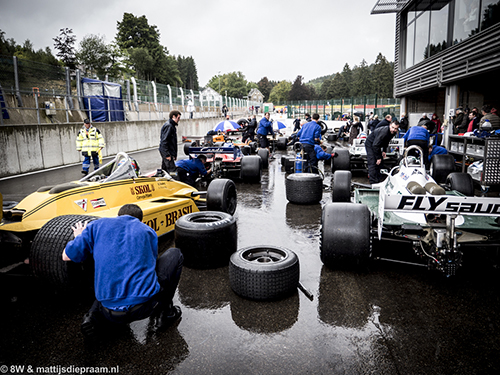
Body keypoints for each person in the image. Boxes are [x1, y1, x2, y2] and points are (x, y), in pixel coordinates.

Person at [62, 204, 183, 338]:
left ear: (118, 216)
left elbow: (66, 256)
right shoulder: (147, 231)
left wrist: (79, 236)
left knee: (93, 255)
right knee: (175, 254)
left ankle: (93, 316)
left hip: (108, 311)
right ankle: (165, 314)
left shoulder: (97, 226)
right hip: (145, 307)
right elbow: (151, 265)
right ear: (139, 220)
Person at [365, 120, 400, 184]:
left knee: (380, 163)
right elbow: (375, 145)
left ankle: (378, 179)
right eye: (392, 127)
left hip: (376, 144)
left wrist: (384, 151)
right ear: (390, 125)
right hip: (370, 143)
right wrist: (378, 158)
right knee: (372, 161)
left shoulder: (393, 132)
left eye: (395, 129)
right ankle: (373, 182)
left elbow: (386, 141)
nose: (393, 130)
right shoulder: (384, 132)